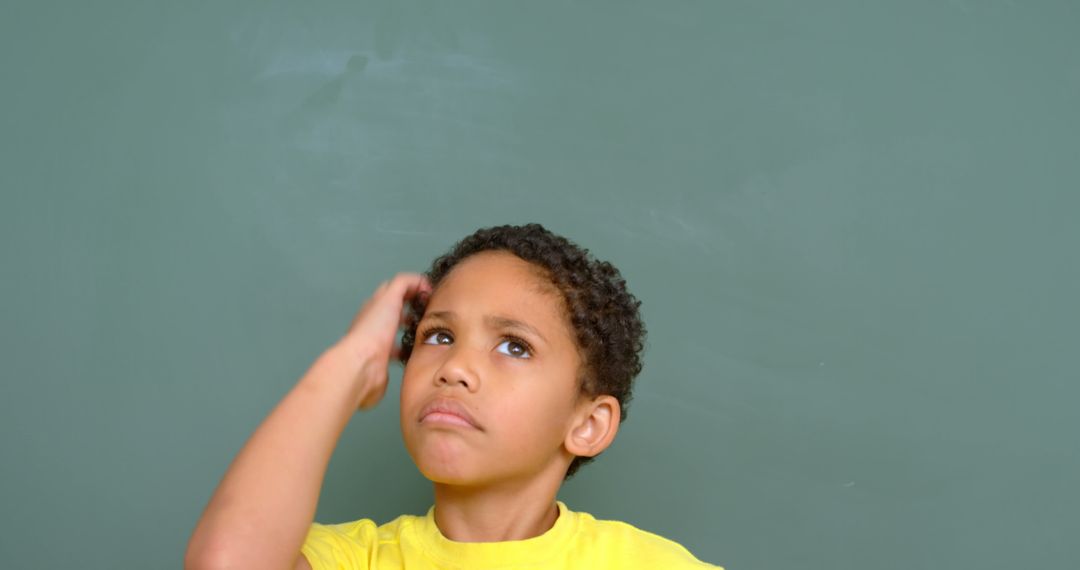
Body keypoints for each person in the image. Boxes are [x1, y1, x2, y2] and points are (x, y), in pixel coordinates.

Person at [186, 223, 721, 569]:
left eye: (514, 346)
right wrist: (348, 362)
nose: (456, 368)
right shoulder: (357, 559)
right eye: (438, 337)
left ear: (587, 424)